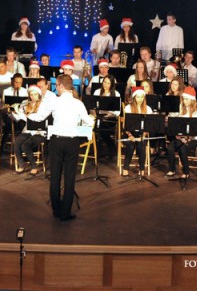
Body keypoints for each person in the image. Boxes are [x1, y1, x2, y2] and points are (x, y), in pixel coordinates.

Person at [33, 74, 94, 221]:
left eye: (56, 86)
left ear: (60, 85)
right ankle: (66, 212)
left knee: (55, 177)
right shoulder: (78, 103)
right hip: (72, 142)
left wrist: (26, 113)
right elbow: (88, 122)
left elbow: (39, 117)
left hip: (56, 141)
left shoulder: (54, 101)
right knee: (69, 177)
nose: (56, 89)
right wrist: (92, 118)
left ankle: (56, 210)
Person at [166, 86, 197, 178]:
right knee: (170, 148)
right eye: (184, 99)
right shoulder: (181, 108)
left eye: (187, 99)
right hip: (181, 137)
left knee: (182, 149)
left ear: (192, 100)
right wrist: (180, 136)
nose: (185, 101)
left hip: (194, 138)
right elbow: (177, 125)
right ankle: (172, 170)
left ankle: (186, 172)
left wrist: (188, 138)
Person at [11, 86, 46, 175]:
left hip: (39, 131)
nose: (33, 97)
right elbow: (19, 119)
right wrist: (13, 112)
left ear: (39, 95)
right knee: (17, 143)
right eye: (31, 95)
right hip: (28, 130)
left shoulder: (43, 105)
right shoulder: (25, 104)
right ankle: (22, 165)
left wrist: (21, 114)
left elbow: (36, 119)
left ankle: (34, 167)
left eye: (35, 94)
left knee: (25, 146)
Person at [122, 87, 153, 177]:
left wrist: (142, 136)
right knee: (130, 146)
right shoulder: (128, 108)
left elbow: (149, 126)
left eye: (142, 97)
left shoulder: (148, 109)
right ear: (134, 97)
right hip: (129, 133)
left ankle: (142, 169)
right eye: (138, 97)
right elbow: (125, 126)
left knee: (141, 145)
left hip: (142, 134)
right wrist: (130, 135)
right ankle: (125, 168)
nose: (140, 99)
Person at [92, 74, 121, 159]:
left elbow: (118, 111)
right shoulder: (97, 92)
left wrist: (111, 114)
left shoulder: (116, 93)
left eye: (108, 83)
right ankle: (96, 151)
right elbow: (92, 105)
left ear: (111, 84)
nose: (105, 84)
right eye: (104, 82)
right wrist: (94, 112)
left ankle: (111, 147)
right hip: (98, 116)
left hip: (110, 117)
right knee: (95, 128)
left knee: (103, 129)